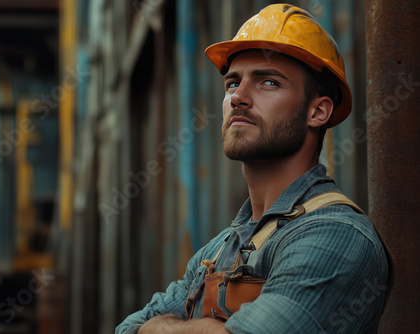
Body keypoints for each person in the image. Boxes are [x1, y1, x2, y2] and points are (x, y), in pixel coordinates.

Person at [116, 4, 391, 334]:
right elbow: (128, 328)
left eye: (269, 83)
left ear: (318, 112)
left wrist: (163, 328)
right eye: (232, 83)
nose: (238, 97)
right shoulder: (218, 249)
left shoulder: (338, 235)